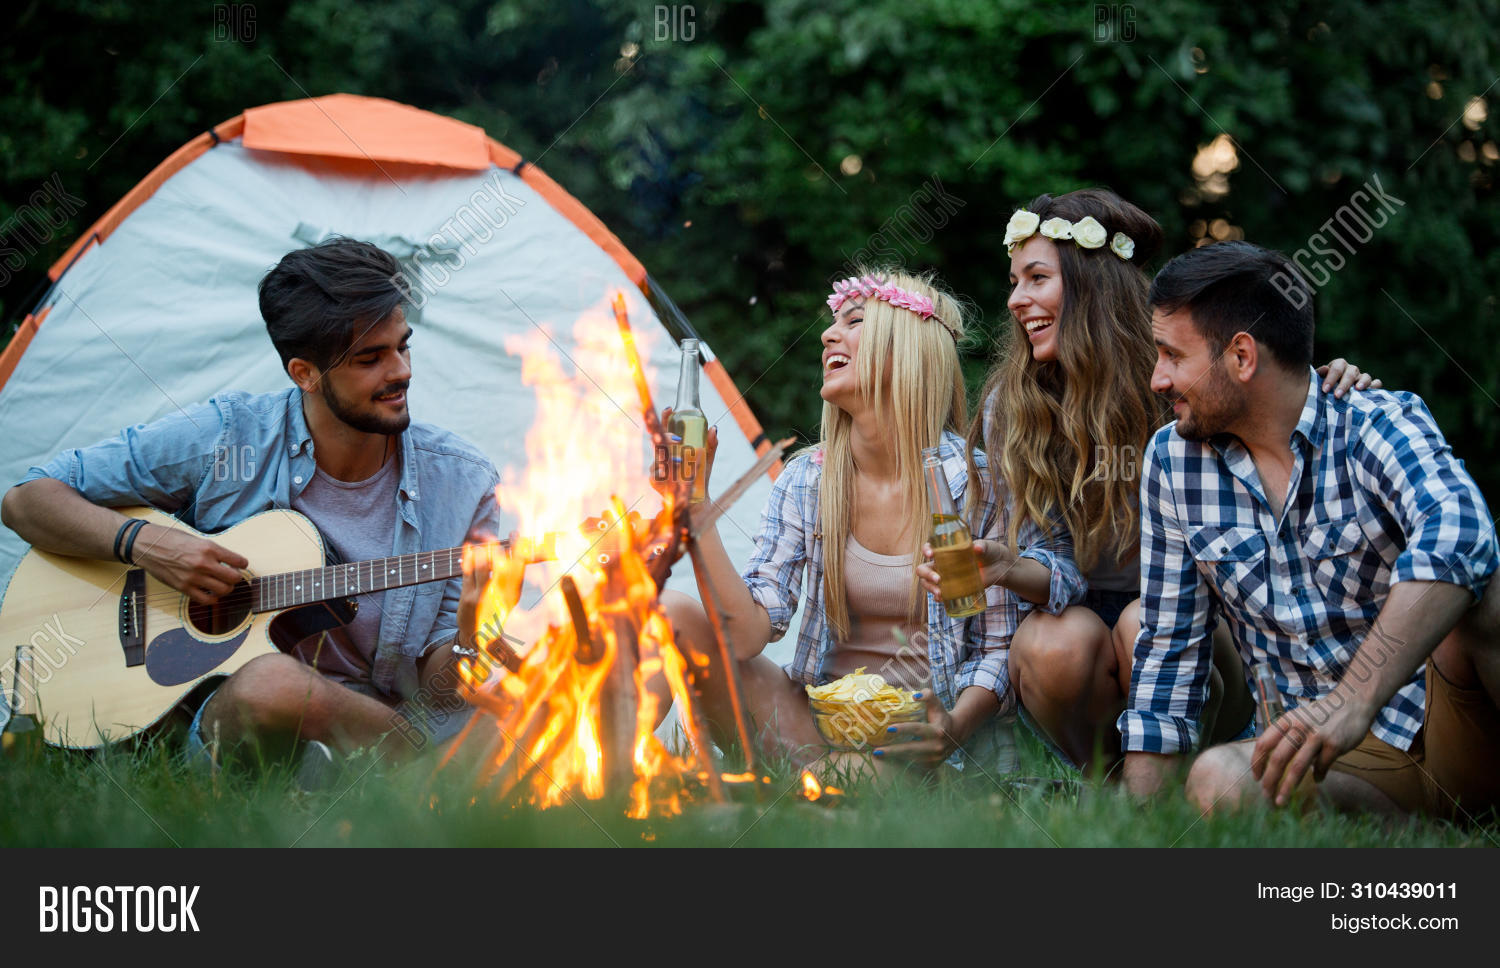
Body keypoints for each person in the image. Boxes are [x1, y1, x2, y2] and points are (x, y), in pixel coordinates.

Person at [920, 188, 1377, 774]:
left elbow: (1271, 407)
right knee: (1048, 644)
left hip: (1199, 619)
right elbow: (1053, 556)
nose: (1016, 299)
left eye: (1036, 278)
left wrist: (1333, 384)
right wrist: (1007, 566)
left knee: (1144, 625)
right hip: (1077, 609)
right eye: (1014, 281)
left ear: (1091, 285)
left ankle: (1188, 774)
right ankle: (1111, 793)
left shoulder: (1178, 385)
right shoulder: (1015, 403)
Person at [0, 238, 500, 764]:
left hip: (375, 709)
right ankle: (420, 770)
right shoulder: (227, 436)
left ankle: (351, 768)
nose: (401, 371)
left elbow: (438, 682)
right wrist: (148, 545)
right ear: (304, 373)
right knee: (275, 686)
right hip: (233, 710)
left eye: (403, 345)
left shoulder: (461, 482)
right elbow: (27, 499)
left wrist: (468, 640)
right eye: (370, 359)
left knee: (523, 699)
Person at [1120, 240, 1500, 817]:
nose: (1157, 380)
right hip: (1327, 762)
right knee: (1219, 779)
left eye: (1172, 355)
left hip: (1452, 726)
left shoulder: (1375, 422)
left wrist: (1352, 702)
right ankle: (1422, 835)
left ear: (1241, 357)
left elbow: (1463, 531)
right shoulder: (1173, 462)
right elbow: (1169, 651)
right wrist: (1137, 825)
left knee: (1491, 596)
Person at [661, 268, 1086, 777]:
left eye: (854, 321)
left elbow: (998, 647)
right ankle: (613, 785)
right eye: (833, 323)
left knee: (857, 776)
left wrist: (951, 727)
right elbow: (747, 635)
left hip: (923, 736)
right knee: (671, 611)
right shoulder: (806, 480)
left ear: (906, 349)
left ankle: (809, 788)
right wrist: (695, 509)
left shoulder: (979, 482)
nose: (827, 334)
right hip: (815, 722)